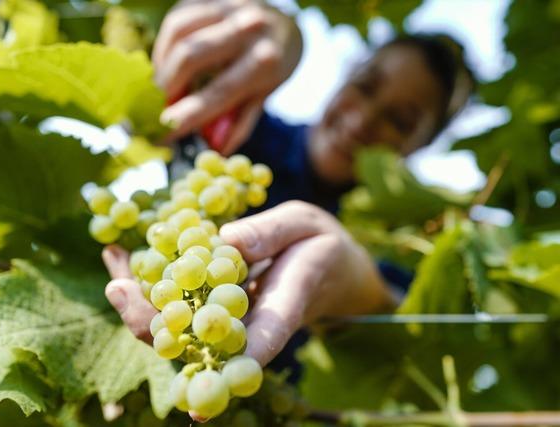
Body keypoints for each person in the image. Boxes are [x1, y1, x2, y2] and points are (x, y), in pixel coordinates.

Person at [104, 0, 475, 370]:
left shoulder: (408, 236)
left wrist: (363, 292)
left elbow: (416, 327)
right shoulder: (240, 136)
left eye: (399, 120)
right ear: (347, 74)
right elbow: (150, 70)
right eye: (365, 86)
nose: (364, 119)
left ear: (422, 145)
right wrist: (267, 28)